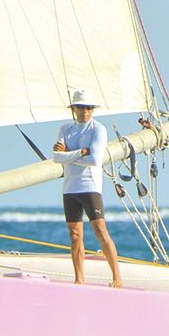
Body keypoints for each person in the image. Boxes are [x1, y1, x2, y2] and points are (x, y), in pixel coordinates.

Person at [53, 89, 124, 288]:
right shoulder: (65, 129)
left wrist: (70, 153)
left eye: (89, 108)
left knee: (100, 230)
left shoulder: (98, 129)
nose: (85, 111)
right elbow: (56, 157)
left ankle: (117, 278)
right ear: (74, 109)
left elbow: (95, 159)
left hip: (90, 186)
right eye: (81, 107)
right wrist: (79, 152)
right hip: (70, 188)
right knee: (75, 235)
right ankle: (79, 279)